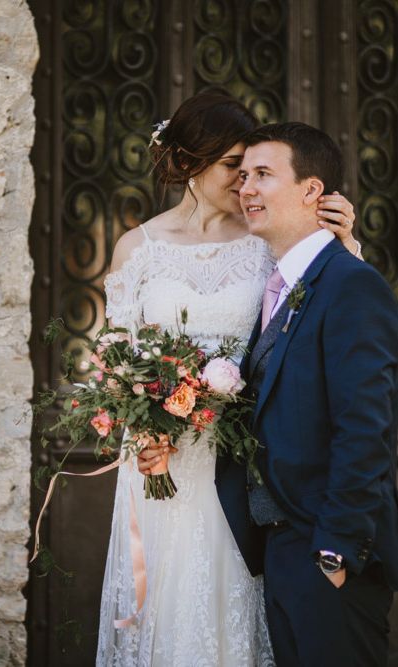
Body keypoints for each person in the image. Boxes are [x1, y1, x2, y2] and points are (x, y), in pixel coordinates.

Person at [97, 92, 358, 666]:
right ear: (190, 160)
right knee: (170, 612)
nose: (243, 183)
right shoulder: (137, 249)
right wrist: (143, 429)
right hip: (162, 460)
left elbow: (317, 323)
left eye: (251, 170)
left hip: (243, 459)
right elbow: (115, 361)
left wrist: (345, 247)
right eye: (231, 167)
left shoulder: (266, 242)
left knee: (238, 604)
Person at [215, 122, 398, 666]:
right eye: (242, 175)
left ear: (312, 190)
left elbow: (366, 428)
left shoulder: (351, 283)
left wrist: (335, 551)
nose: (245, 187)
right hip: (282, 548)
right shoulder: (279, 286)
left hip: (329, 552)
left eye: (263, 175)